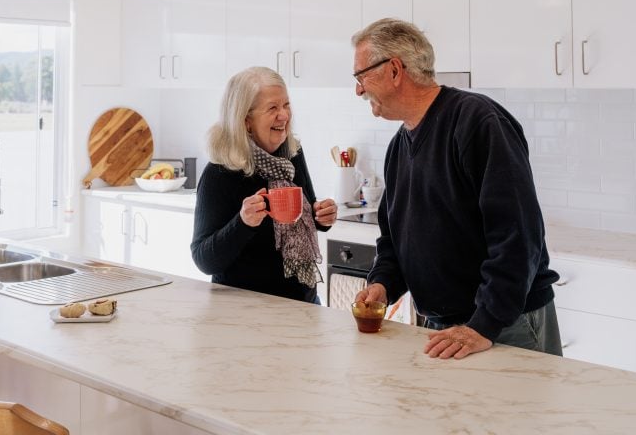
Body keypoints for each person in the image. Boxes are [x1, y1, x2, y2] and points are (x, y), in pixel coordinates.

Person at [351, 18, 561, 359]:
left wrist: (485, 323)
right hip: (449, 327)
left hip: (506, 325)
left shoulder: (477, 122)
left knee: (520, 414)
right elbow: (395, 239)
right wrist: (383, 284)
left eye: (361, 76)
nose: (359, 90)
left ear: (394, 70)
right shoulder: (398, 146)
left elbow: (517, 233)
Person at [191, 66, 338, 303]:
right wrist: (243, 222)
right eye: (273, 108)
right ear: (246, 121)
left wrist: (322, 216)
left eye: (286, 105)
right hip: (244, 310)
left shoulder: (292, 154)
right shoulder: (220, 172)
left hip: (303, 301)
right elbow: (203, 260)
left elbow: (308, 210)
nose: (284, 115)